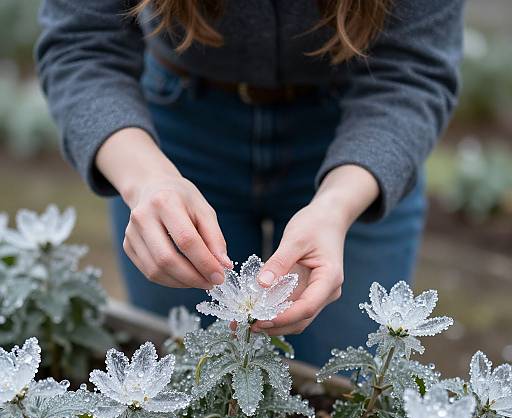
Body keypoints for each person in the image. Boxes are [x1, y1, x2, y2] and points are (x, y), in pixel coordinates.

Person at [36, 0, 464, 366]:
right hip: (174, 132)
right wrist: (147, 180)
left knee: (346, 382)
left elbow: (414, 70)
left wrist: (336, 205)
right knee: (183, 379)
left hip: (362, 137)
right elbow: (81, 43)